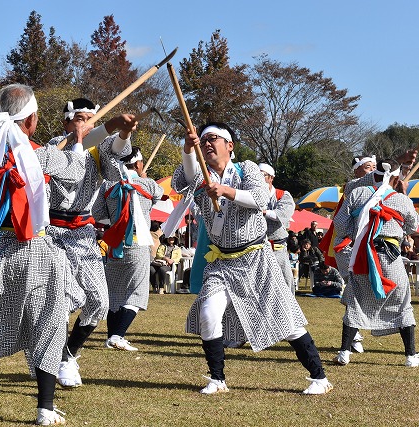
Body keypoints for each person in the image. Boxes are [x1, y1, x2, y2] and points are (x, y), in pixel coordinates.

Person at [0, 84, 86, 424]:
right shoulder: (44, 155)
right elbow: (78, 170)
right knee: (48, 325)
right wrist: (79, 137)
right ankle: (44, 409)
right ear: (33, 119)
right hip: (37, 250)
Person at [172, 121, 332, 395]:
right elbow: (183, 180)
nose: (207, 143)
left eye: (213, 139)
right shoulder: (202, 175)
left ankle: (319, 377)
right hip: (221, 261)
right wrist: (188, 150)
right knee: (209, 314)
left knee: (286, 321)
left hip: (256, 259)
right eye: (203, 139)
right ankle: (217, 379)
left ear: (229, 145)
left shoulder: (245, 168)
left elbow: (259, 199)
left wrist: (226, 192)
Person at [44, 98, 138, 389]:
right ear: (66, 122)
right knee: (64, 299)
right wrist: (110, 126)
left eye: (90, 120)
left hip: (83, 233)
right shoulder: (55, 146)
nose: (85, 125)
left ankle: (68, 354)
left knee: (99, 300)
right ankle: (48, 355)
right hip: (52, 233)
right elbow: (78, 146)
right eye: (79, 119)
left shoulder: (99, 151)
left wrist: (122, 134)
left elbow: (115, 150)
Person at [332, 159, 419, 367]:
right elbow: (413, 225)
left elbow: (340, 225)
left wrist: (360, 230)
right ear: (396, 177)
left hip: (362, 254)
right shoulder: (401, 199)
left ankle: (345, 352)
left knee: (356, 301)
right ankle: (411, 356)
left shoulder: (356, 193)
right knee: (402, 303)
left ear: (375, 174)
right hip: (391, 258)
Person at [93, 146, 164, 351]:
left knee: (114, 291)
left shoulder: (108, 184)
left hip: (115, 242)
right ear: (139, 163)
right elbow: (159, 195)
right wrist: (142, 176)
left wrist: (116, 220)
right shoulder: (147, 184)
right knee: (137, 291)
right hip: (138, 241)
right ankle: (117, 335)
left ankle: (112, 336)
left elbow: (97, 213)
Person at [259, 163, 296, 293]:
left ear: (271, 178)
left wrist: (264, 212)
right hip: (257, 248)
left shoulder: (283, 195)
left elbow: (283, 214)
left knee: (285, 282)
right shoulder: (250, 195)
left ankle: (289, 310)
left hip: (278, 248)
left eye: (262, 175)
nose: (259, 178)